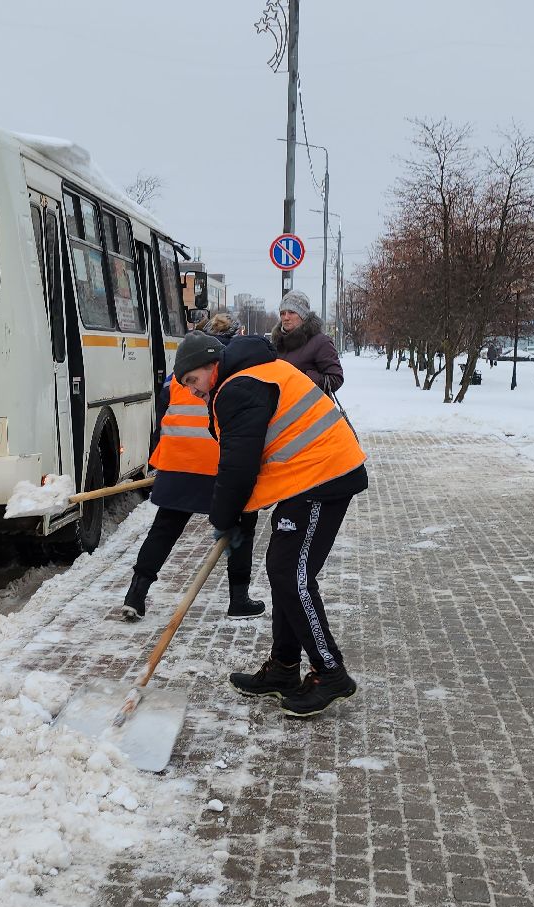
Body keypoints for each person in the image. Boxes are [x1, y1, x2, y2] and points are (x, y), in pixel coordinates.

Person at [176, 330, 369, 718]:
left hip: (322, 477)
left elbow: (239, 467)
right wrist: (238, 518)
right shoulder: (253, 374)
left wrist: (225, 520)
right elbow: (251, 459)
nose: (195, 393)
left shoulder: (237, 388)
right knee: (283, 571)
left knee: (290, 573)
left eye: (193, 381)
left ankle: (330, 672)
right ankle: (283, 668)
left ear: (212, 366)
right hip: (307, 477)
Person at [116, 315, 264, 622]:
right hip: (219, 465)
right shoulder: (235, 370)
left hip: (178, 462)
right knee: (240, 527)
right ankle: (239, 599)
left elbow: (162, 413)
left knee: (165, 528)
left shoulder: (179, 372)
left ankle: (136, 594)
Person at [270, 291, 344, 393]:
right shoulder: (276, 344)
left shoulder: (320, 342)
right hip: (283, 407)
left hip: (312, 407)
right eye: (282, 313)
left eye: (291, 312)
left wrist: (302, 377)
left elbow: (336, 379)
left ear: (303, 315)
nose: (286, 318)